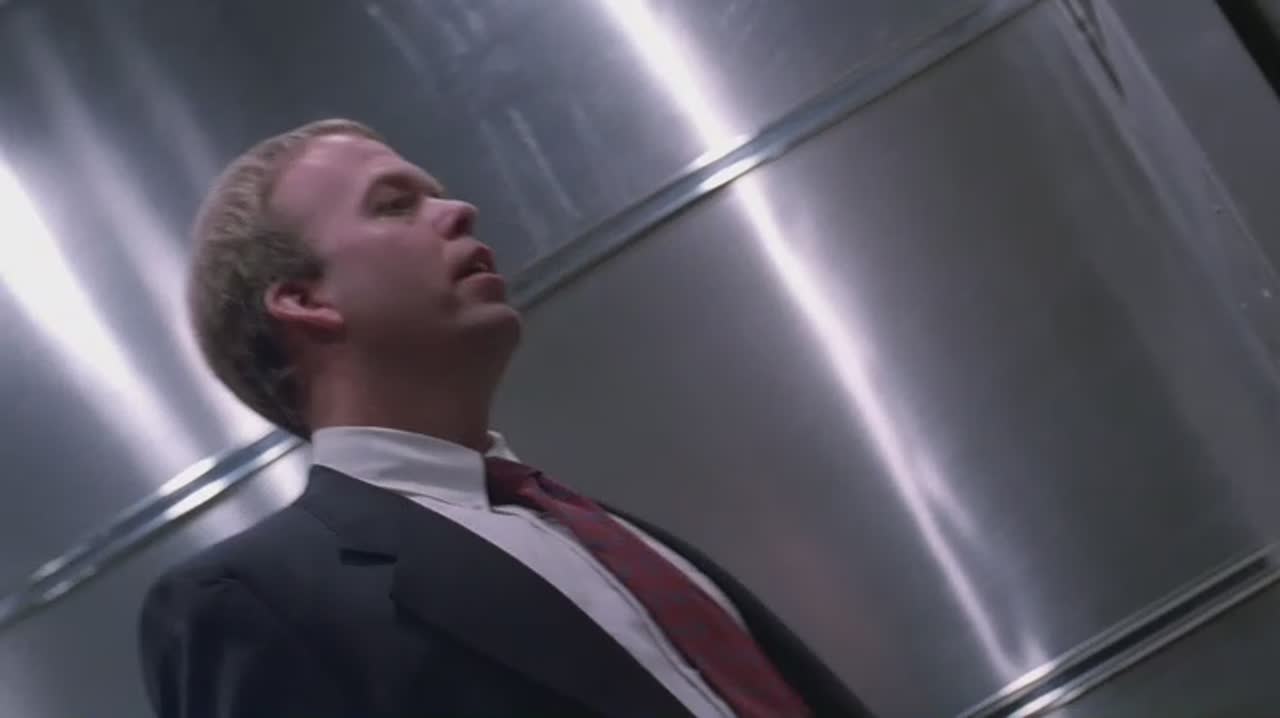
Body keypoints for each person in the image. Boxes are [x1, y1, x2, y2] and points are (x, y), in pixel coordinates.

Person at [137, 119, 873, 718]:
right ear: (305, 301)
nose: (459, 210)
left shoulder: (599, 531)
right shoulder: (252, 601)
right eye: (394, 205)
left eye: (436, 195)